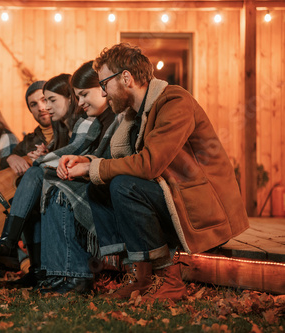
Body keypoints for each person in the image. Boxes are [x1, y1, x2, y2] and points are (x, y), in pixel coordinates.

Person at [63, 43, 249, 301]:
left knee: (124, 185)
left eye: (105, 84)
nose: (104, 93)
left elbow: (149, 164)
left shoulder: (175, 101)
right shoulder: (133, 115)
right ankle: (136, 275)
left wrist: (94, 167)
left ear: (126, 78)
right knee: (100, 186)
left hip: (203, 212)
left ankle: (168, 280)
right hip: (173, 198)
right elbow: (118, 163)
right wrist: (86, 161)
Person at [0, 74, 82, 287]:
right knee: (28, 192)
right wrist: (10, 157)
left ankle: (8, 244)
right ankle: (36, 271)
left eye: (45, 100)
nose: (41, 107)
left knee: (31, 180)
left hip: (63, 189)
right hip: (41, 195)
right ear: (29, 110)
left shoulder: (67, 126)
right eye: (33, 104)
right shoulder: (30, 139)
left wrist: (47, 156)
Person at [35, 61, 119, 294]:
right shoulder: (97, 123)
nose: (80, 102)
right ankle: (58, 273)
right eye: (77, 97)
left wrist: (84, 165)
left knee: (58, 190)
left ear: (103, 89)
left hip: (112, 190)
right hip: (99, 182)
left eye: (83, 95)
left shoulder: (115, 119)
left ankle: (77, 276)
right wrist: (77, 162)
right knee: (51, 185)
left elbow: (114, 161)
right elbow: (90, 155)